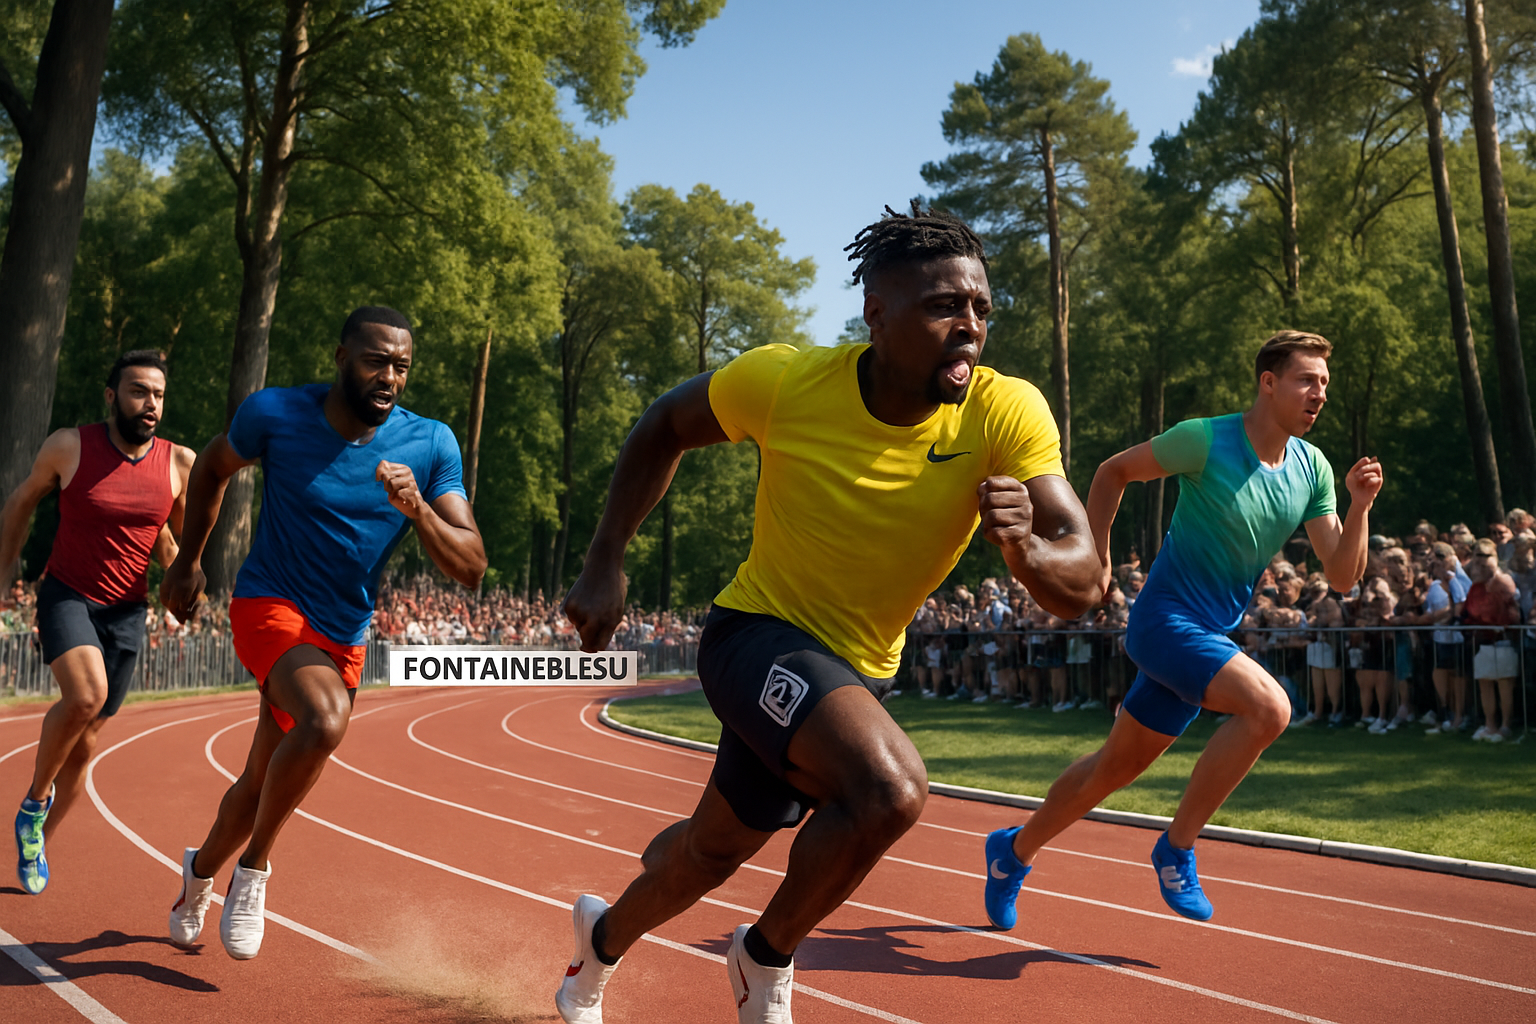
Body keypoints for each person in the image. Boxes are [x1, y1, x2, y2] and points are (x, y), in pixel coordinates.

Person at [556, 204, 1099, 1024]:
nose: (970, 326)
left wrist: (1027, 553)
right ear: (876, 314)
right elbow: (664, 422)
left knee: (708, 853)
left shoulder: (1004, 410)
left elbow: (1083, 575)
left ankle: (593, 953)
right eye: (944, 305)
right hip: (755, 634)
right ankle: (765, 958)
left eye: (982, 308)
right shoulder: (787, 382)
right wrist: (605, 561)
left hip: (857, 674)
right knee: (889, 789)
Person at [983, 330, 1382, 926]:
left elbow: (1343, 576)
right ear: (1268, 383)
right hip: (1164, 623)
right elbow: (1114, 471)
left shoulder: (1313, 468)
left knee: (1110, 770)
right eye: (1307, 380)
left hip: (1210, 636)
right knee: (1270, 709)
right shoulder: (1205, 439)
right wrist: (1092, 556)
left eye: (1325, 383)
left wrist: (1359, 507)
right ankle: (1177, 848)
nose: (1318, 393)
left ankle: (1011, 852)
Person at [159, 306, 485, 959]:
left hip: (344, 629)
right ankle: (254, 872)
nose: (388, 376)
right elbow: (212, 469)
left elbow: (472, 565)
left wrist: (416, 508)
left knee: (257, 785)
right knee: (326, 721)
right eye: (375, 361)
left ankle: (199, 876)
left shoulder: (430, 444)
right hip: (268, 603)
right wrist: (189, 561)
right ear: (341, 358)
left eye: (401, 366)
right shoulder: (275, 414)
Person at [0, 351, 194, 894]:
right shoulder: (70, 445)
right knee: (85, 696)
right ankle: (34, 802)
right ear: (111, 397)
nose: (149, 403)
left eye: (157, 394)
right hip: (68, 596)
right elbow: (21, 503)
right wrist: (2, 574)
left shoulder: (179, 463)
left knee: (85, 745)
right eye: (137, 391)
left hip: (128, 611)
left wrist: (183, 580)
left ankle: (39, 843)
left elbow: (171, 538)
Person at [1462, 539, 1520, 743]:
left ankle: (1505, 726)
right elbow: (1470, 611)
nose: (1480, 565)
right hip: (1484, 642)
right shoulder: (1476, 586)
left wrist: (1478, 617)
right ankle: (1490, 725)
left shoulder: (1504, 581)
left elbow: (1485, 612)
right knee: (1485, 684)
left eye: (1485, 560)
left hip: (1503, 642)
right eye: (1477, 560)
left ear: (1495, 559)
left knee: (1504, 685)